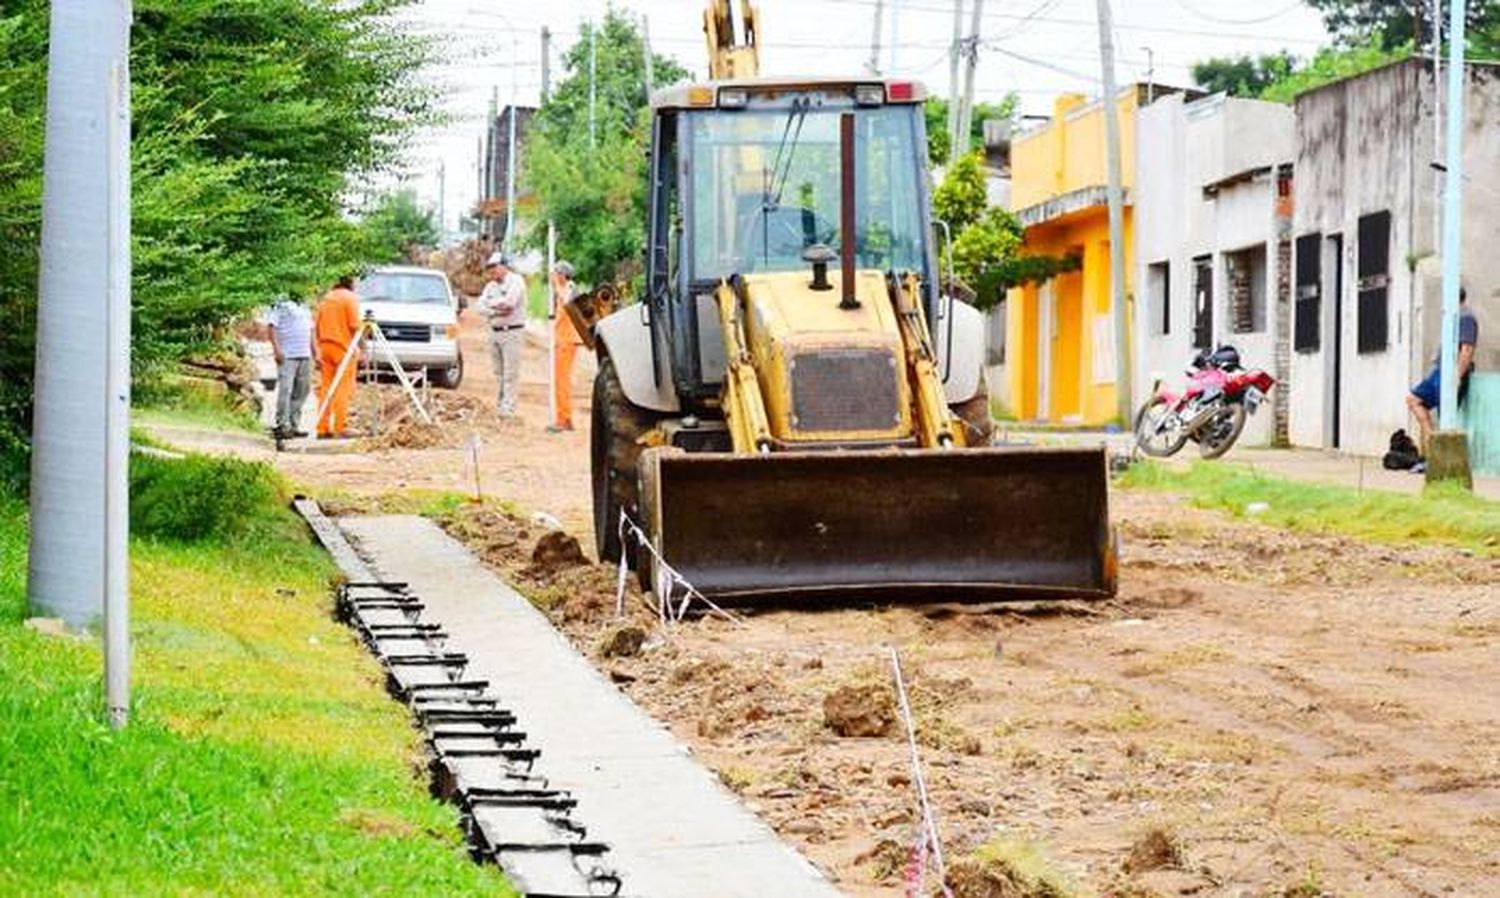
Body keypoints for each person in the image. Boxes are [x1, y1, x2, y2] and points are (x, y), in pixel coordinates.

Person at [1406, 287, 1478, 460]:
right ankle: (1433, 448)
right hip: (1440, 371)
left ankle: (1440, 460)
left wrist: (1458, 376)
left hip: (1451, 372)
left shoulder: (1466, 318)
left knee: (1445, 415)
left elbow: (1467, 349)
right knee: (1414, 400)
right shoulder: (1452, 318)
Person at [477, 252, 528, 418]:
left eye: (494, 267)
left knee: (510, 373)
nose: (491, 271)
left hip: (512, 332)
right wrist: (496, 310)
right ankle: (501, 405)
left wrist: (491, 307)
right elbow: (479, 307)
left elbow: (510, 304)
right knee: (498, 372)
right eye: (489, 267)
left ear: (503, 266)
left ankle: (509, 408)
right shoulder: (490, 286)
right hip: (494, 333)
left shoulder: (516, 281)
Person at [314, 274, 362, 438]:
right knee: (342, 388)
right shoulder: (350, 298)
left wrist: (318, 350)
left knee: (326, 388)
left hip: (325, 347)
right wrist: (362, 347)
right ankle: (340, 427)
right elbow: (355, 326)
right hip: (343, 348)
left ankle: (322, 427)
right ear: (350, 283)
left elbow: (316, 326)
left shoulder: (326, 299)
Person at [268, 290, 314, 438]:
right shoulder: (280, 306)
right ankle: (282, 424)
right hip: (287, 355)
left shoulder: (305, 308)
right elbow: (271, 327)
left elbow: (311, 331)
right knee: (286, 389)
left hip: (305, 355)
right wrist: (276, 350)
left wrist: (315, 351)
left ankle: (294, 425)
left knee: (302, 391)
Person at [548, 261, 583, 433]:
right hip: (563, 339)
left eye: (556, 274)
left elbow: (567, 303)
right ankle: (565, 418)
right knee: (561, 381)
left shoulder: (569, 289)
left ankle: (563, 419)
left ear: (562, 275)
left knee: (562, 382)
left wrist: (556, 286)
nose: (553, 277)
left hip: (567, 341)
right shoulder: (566, 289)